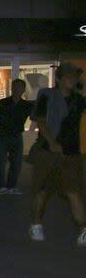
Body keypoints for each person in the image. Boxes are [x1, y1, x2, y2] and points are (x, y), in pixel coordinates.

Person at [29, 63, 86, 245]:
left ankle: (83, 229)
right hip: (48, 152)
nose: (74, 80)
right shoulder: (46, 95)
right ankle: (36, 224)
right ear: (60, 78)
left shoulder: (79, 99)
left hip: (71, 154)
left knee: (74, 191)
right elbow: (40, 120)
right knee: (43, 191)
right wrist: (52, 142)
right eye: (70, 76)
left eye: (76, 77)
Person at [0, 78, 33, 195]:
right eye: (14, 86)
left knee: (17, 162)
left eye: (19, 87)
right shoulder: (3, 102)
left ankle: (12, 186)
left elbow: (36, 118)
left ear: (23, 90)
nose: (16, 89)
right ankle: (2, 186)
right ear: (11, 88)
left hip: (16, 136)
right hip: (2, 135)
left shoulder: (26, 105)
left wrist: (32, 129)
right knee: (1, 161)